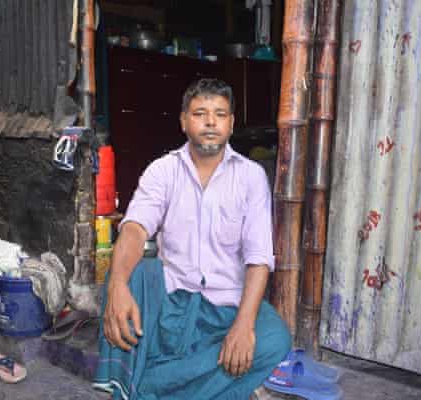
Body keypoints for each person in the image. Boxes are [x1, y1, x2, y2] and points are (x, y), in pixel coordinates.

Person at [93, 78, 291, 400]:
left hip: (227, 305)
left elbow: (259, 257)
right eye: (200, 113)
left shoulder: (251, 177)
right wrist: (116, 287)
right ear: (184, 121)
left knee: (275, 339)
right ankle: (173, 384)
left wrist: (243, 326)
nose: (211, 122)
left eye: (220, 114)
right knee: (133, 277)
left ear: (231, 123)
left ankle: (148, 388)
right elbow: (134, 229)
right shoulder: (162, 171)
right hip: (173, 300)